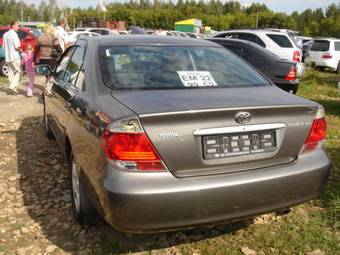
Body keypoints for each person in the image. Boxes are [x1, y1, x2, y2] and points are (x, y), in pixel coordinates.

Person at [34, 22, 62, 94]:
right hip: (51, 59)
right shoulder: (54, 38)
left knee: (47, 74)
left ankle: (47, 88)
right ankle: (48, 90)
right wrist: (60, 52)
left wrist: (34, 60)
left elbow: (36, 50)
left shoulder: (40, 38)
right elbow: (59, 49)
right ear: (52, 30)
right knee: (53, 74)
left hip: (42, 59)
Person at [2, 21, 22, 94]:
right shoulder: (14, 34)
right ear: (12, 26)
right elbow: (17, 46)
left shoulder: (5, 34)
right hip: (15, 56)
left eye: (18, 26)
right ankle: (12, 86)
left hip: (7, 56)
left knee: (11, 73)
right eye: (17, 26)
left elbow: (3, 47)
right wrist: (21, 50)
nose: (18, 27)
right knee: (19, 72)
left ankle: (13, 88)